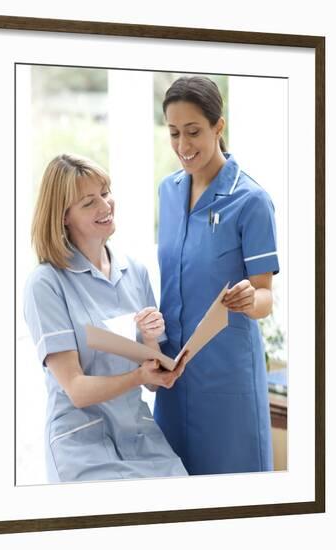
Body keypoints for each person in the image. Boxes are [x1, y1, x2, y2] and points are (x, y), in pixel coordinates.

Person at [23, 153, 188, 483]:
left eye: (105, 191)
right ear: (63, 217)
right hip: (81, 442)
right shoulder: (46, 283)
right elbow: (77, 390)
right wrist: (139, 377)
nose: (105, 205)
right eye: (88, 202)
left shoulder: (134, 271)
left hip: (139, 434)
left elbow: (152, 376)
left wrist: (153, 345)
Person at [154, 76, 280, 475]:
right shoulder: (168, 192)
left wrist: (249, 297)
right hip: (174, 376)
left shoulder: (252, 201)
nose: (182, 146)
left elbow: (265, 297)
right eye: (174, 133)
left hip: (227, 381)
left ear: (218, 127)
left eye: (193, 132)